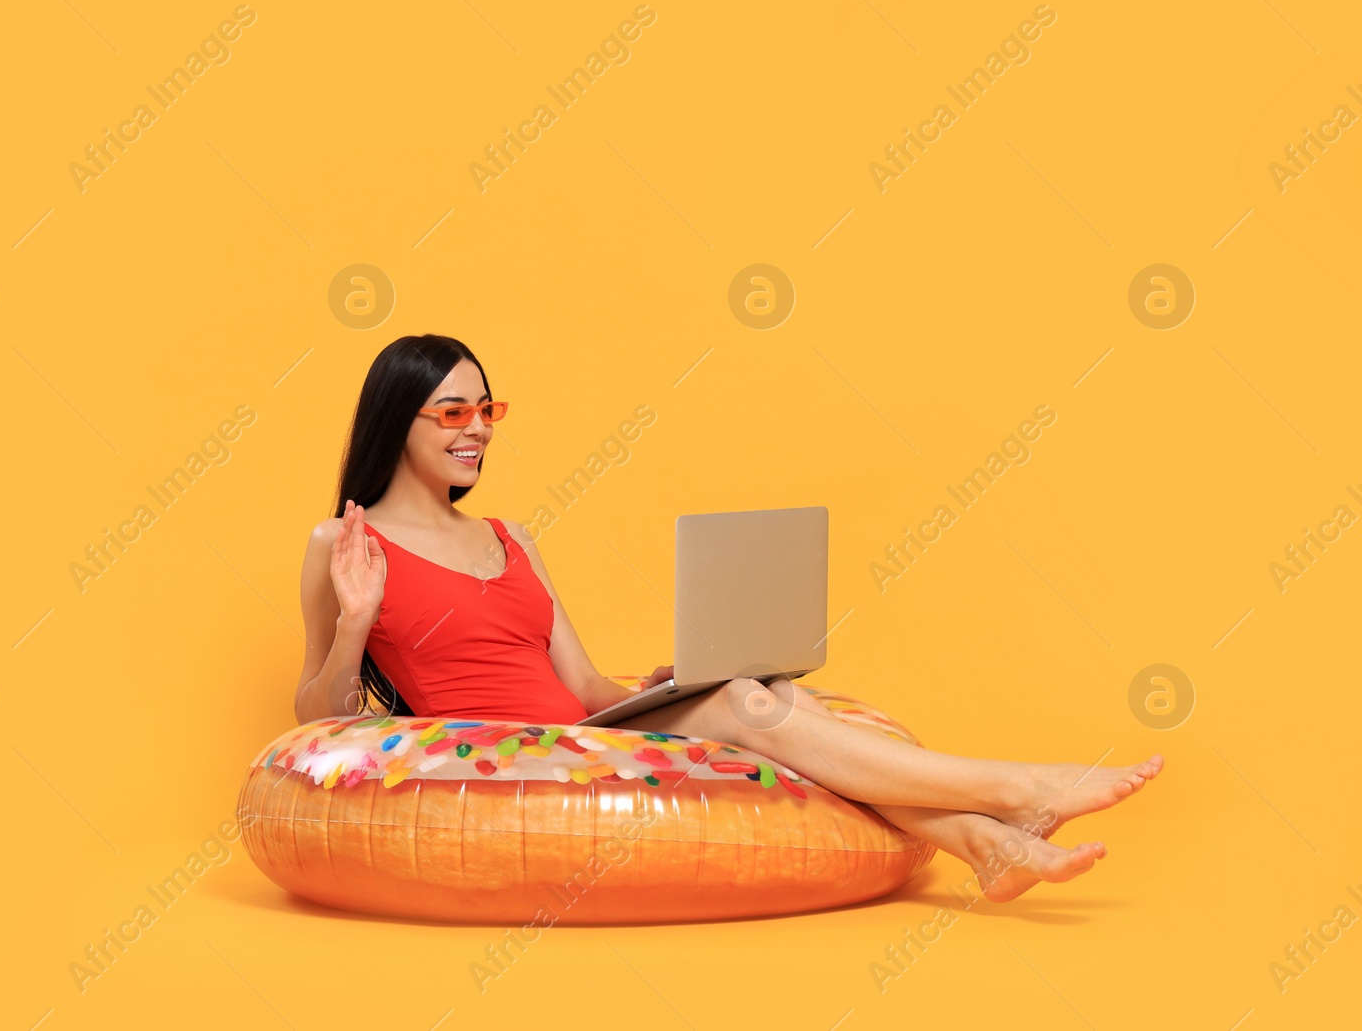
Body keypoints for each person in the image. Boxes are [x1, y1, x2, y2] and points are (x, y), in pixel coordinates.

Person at [294, 334, 1164, 902]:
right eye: (454, 411)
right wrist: (355, 623)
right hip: (514, 753)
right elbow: (314, 717)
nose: (477, 428)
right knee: (749, 707)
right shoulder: (342, 543)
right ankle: (1017, 792)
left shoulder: (510, 535)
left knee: (760, 688)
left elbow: (587, 685)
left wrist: (661, 687)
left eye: (489, 409)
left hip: (590, 728)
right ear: (396, 420)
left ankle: (985, 845)